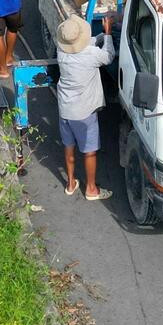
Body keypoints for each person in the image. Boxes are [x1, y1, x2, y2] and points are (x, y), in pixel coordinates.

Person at [54, 14, 115, 202]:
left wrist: (98, 38)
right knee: (89, 151)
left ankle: (71, 183)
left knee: (69, 147)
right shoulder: (91, 55)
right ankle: (91, 189)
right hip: (84, 112)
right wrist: (108, 33)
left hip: (65, 109)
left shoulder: (61, 52)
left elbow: (84, 45)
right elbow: (108, 56)